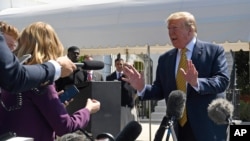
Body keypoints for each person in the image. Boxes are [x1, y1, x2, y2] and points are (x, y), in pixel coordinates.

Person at [122, 11, 229, 141]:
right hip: (178, 128)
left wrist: (197, 83)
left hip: (208, 127)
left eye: (175, 28)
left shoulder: (214, 51)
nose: (170, 33)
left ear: (190, 30)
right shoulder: (165, 59)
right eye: (169, 29)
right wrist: (142, 87)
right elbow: (159, 90)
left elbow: (222, 81)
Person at [0, 22, 100, 141]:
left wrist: (54, 104)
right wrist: (87, 110)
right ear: (53, 45)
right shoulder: (43, 82)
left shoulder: (11, 76)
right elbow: (65, 127)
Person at [0, 30, 76, 94]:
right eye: (9, 45)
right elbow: (14, 76)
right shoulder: (43, 82)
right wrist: (86, 109)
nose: (12, 49)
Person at [106, 54, 138, 130]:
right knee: (124, 130)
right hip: (123, 109)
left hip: (132, 108)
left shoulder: (134, 79)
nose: (128, 70)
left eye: (130, 68)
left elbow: (137, 93)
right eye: (126, 68)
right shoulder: (120, 79)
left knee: (133, 130)